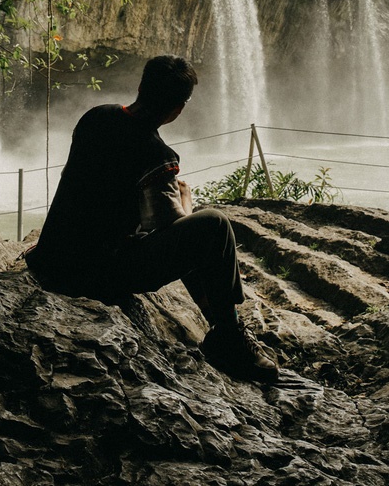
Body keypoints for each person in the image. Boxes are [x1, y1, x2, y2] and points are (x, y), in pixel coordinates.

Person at [25, 54, 278, 382]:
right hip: (95, 276)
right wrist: (185, 201)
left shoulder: (95, 117)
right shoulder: (157, 156)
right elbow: (170, 228)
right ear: (178, 109)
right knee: (212, 225)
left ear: (142, 86)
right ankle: (228, 335)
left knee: (195, 231)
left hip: (51, 258)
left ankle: (219, 324)